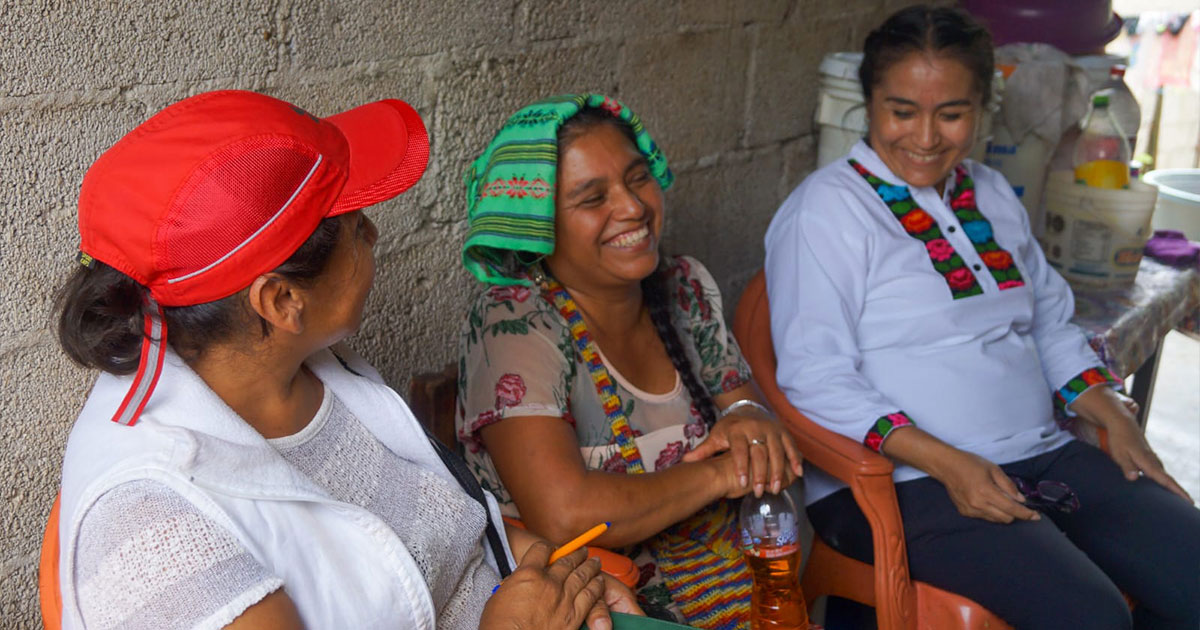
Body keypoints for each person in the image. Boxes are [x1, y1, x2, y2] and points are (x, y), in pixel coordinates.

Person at [52, 90, 639, 630]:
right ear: (282, 301)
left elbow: (441, 527)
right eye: (357, 226)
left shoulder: (312, 371)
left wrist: (558, 572)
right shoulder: (153, 532)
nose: (375, 234)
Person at [764, 6, 1200, 630]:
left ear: (980, 110)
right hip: (906, 482)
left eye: (951, 113)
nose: (924, 137)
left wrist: (1113, 416)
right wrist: (946, 461)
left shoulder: (991, 194)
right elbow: (814, 374)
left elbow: (1049, 322)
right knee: (1094, 617)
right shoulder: (825, 214)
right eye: (901, 111)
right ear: (870, 102)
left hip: (1039, 455)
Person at [456, 94, 805, 629]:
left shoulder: (683, 287)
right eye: (593, 198)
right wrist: (720, 476)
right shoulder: (517, 325)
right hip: (616, 605)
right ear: (538, 226)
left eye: (637, 178)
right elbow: (566, 513)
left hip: (735, 584)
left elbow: (748, 422)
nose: (633, 207)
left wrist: (749, 422)